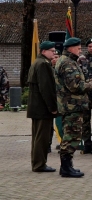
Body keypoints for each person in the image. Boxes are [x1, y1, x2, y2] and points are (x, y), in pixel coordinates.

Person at [55, 37, 92, 178]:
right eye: (78, 48)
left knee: (72, 135)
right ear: (70, 48)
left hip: (71, 105)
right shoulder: (68, 63)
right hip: (72, 105)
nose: (80, 50)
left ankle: (68, 165)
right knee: (71, 136)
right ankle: (66, 168)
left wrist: (88, 81)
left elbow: (76, 81)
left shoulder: (68, 61)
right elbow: (75, 86)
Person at [27, 41, 58, 172]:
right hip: (42, 107)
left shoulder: (37, 62)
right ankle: (39, 164)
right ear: (43, 51)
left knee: (37, 137)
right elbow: (46, 88)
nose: (54, 53)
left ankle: (37, 162)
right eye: (52, 50)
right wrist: (52, 107)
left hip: (37, 107)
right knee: (42, 137)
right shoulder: (43, 64)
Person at [48, 49, 61, 153]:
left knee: (61, 124)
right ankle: (47, 144)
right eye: (52, 58)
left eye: (56, 57)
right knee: (48, 126)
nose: (54, 60)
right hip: (50, 100)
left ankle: (62, 143)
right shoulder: (47, 69)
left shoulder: (62, 70)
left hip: (61, 101)